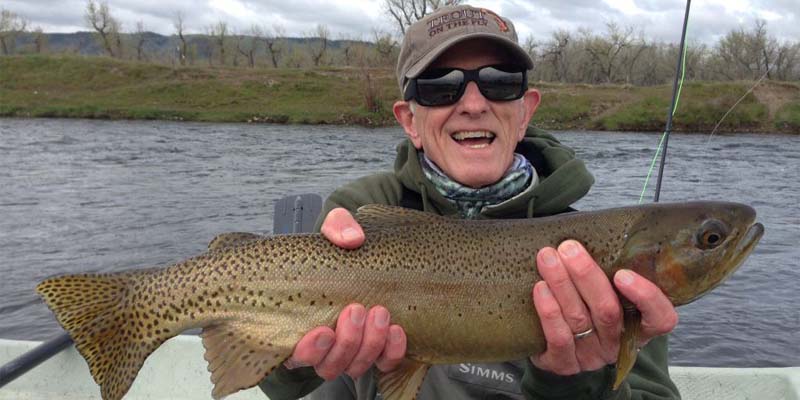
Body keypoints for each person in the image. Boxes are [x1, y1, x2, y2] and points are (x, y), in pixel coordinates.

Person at [259, 4, 680, 399]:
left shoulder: (591, 257)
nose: (474, 105)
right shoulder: (359, 217)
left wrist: (573, 382)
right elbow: (277, 385)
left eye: (499, 82)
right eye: (441, 87)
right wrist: (295, 363)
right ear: (409, 121)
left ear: (525, 112)